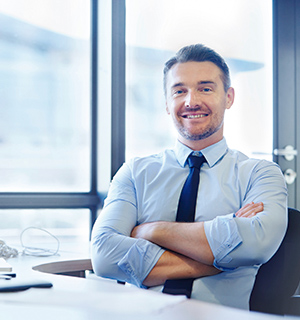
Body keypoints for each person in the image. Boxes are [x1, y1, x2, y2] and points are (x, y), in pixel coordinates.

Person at [91, 44, 288, 310]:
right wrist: (218, 256)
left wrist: (151, 230)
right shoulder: (136, 172)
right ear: (166, 102)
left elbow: (256, 245)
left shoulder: (260, 173)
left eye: (205, 88)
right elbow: (104, 256)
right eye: (179, 90)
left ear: (228, 97)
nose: (191, 101)